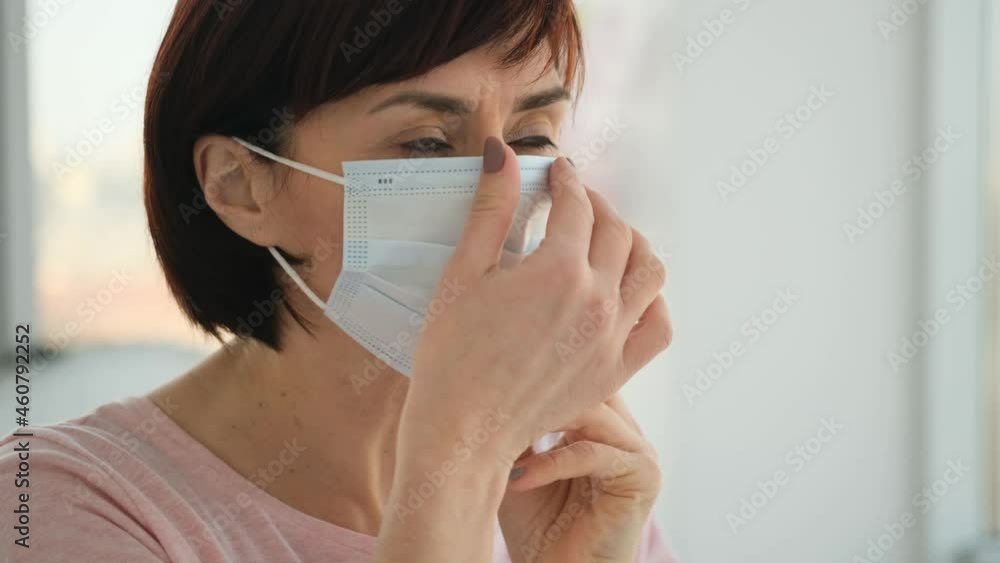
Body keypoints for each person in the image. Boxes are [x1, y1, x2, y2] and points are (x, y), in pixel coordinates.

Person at [0, 2, 674, 561]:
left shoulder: (569, 493)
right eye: (426, 143)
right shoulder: (62, 506)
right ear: (242, 186)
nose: (498, 196)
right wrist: (456, 466)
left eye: (532, 138)